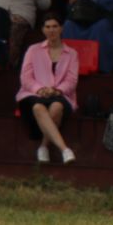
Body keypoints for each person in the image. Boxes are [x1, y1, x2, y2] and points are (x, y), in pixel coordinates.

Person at [18, 13, 81, 165]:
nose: (51, 30)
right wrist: (40, 89)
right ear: (43, 30)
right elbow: (25, 78)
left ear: (61, 29)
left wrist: (57, 90)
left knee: (57, 106)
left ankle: (43, 146)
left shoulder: (72, 53)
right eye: (48, 27)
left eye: (55, 26)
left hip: (60, 94)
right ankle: (64, 149)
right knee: (39, 107)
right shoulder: (33, 50)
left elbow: (72, 80)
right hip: (32, 94)